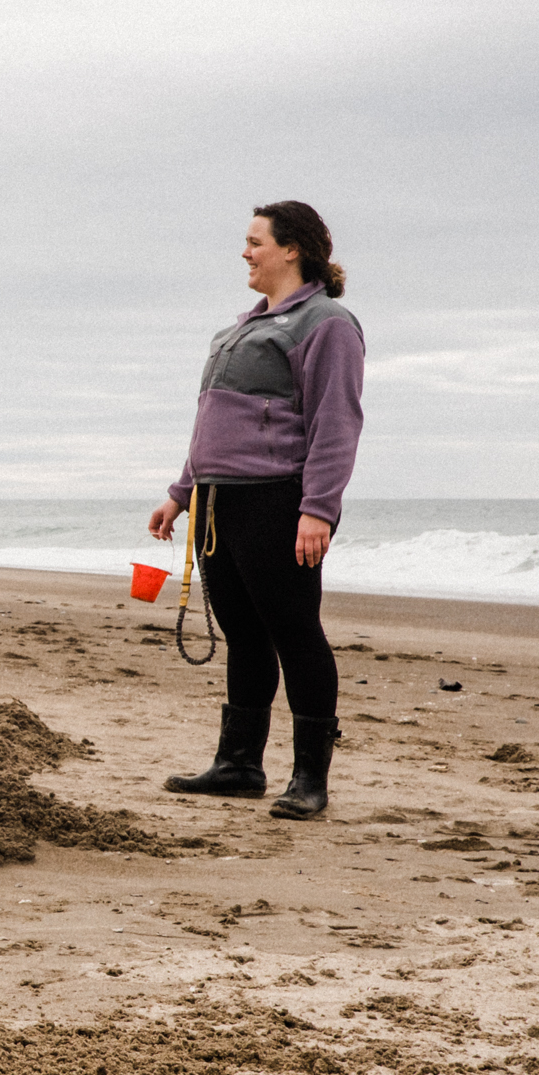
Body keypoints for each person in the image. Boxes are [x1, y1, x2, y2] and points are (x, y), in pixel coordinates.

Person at [148, 201, 364, 820]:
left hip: (278, 498)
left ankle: (309, 780)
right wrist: (181, 490)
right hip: (218, 503)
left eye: (255, 242)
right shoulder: (234, 331)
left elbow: (337, 422)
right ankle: (239, 764)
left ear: (292, 248)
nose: (245, 252)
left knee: (296, 635)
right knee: (244, 636)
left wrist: (318, 509)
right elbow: (210, 423)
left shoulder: (325, 324)